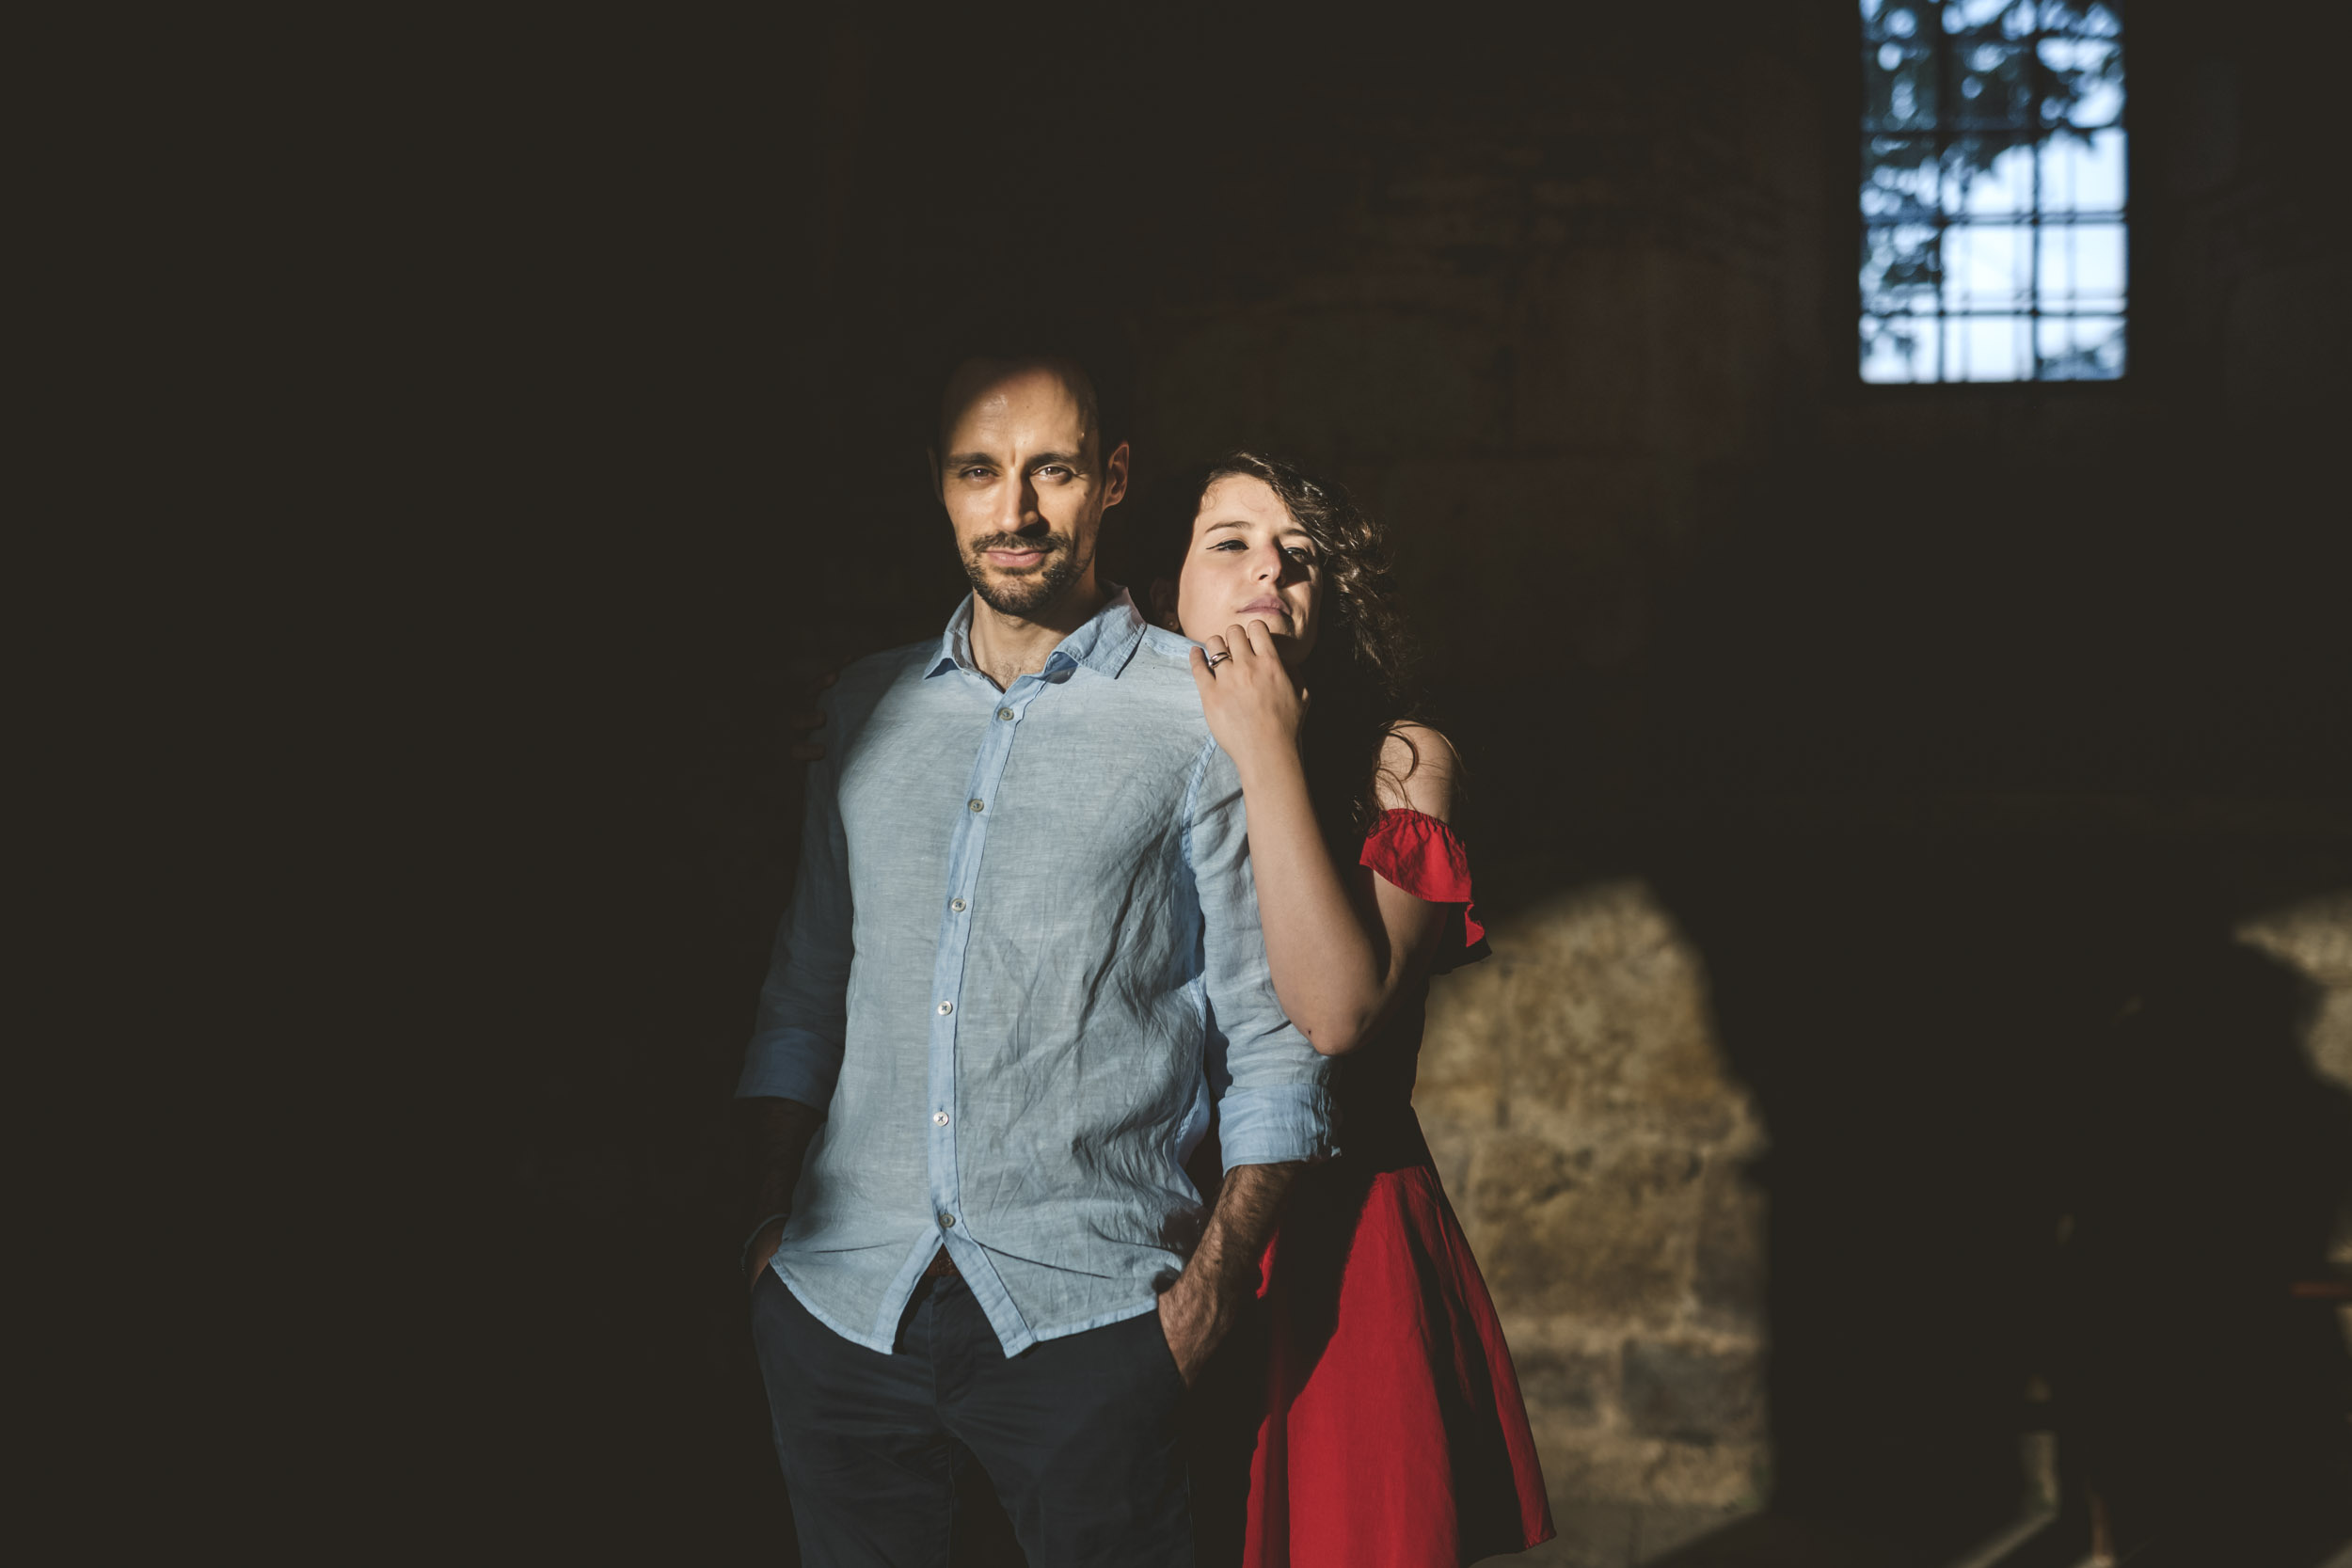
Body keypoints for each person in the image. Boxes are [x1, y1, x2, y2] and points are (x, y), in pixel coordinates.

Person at [737, 358, 1335, 1567]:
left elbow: (1272, 1037)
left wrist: (1210, 1291)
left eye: (1051, 470)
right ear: (940, 486)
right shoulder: (860, 709)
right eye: (978, 471)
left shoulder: (1200, 713)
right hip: (841, 1310)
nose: (1013, 510)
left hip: (1096, 1323)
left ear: (1109, 480)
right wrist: (763, 1229)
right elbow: (805, 985)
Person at [1143, 452, 1553, 1567]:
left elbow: (1334, 1012)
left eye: (1302, 556)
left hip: (1342, 1244)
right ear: (1163, 581)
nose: (1269, 567)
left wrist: (1267, 744)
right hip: (1150, 1226)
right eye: (1229, 540)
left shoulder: (1403, 764)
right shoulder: (1118, 750)